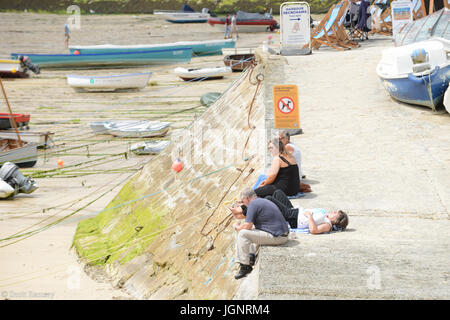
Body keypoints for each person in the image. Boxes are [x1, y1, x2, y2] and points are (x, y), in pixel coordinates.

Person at [232, 188, 289, 279]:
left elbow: (247, 226)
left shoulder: (253, 204)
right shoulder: (261, 201)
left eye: (243, 201)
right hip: (282, 234)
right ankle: (250, 256)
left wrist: (237, 227)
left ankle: (245, 266)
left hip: (278, 237)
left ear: (247, 198)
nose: (243, 204)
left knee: (243, 233)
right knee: (250, 230)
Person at [266, 189, 349, 234]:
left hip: (294, 218)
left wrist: (309, 217)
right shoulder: (325, 215)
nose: (333, 211)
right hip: (294, 211)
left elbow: (314, 230)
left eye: (335, 213)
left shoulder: (328, 225)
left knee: (269, 199)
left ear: (336, 220)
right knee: (278, 193)